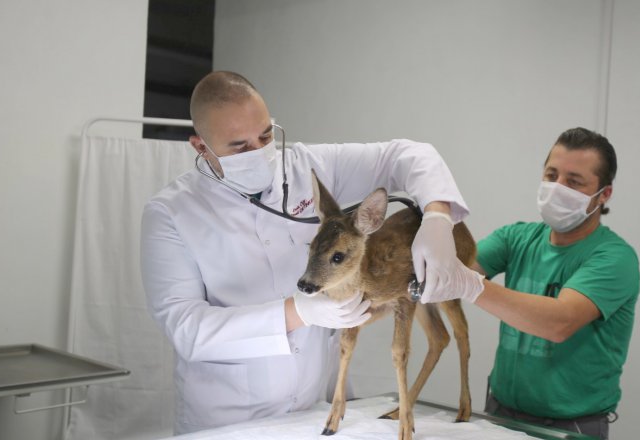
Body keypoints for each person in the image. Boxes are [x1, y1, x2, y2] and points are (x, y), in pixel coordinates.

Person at [139, 71, 469, 435]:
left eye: (265, 135)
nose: (260, 151)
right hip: (229, 418)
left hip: (316, 405)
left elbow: (408, 154)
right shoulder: (170, 213)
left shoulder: (304, 166)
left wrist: (437, 215)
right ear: (201, 147)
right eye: (240, 147)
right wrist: (298, 312)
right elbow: (188, 329)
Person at [420, 127, 640, 439]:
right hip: (501, 414)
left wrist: (469, 285)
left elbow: (559, 322)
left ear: (604, 194)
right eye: (551, 175)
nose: (557, 187)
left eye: (574, 182)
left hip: (571, 427)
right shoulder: (516, 238)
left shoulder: (614, 258)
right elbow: (449, 271)